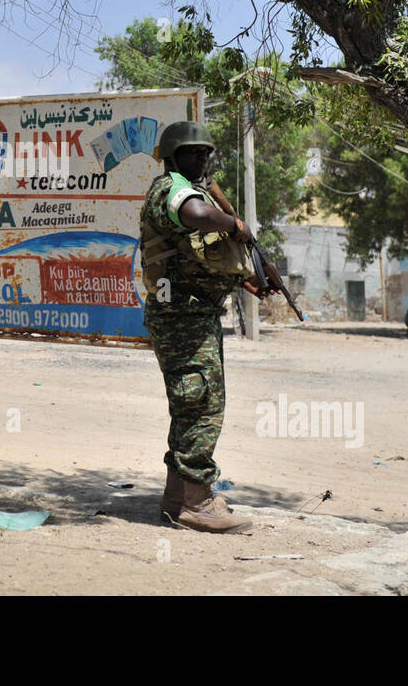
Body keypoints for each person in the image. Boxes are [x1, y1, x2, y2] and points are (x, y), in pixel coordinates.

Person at [139, 121, 270, 533]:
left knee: (189, 404)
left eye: (205, 154)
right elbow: (195, 214)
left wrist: (242, 277)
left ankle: (178, 498)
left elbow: (192, 259)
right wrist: (236, 226)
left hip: (191, 314)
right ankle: (199, 502)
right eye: (192, 153)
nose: (201, 160)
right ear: (173, 157)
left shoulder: (189, 189)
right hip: (181, 317)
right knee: (202, 405)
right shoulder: (171, 190)